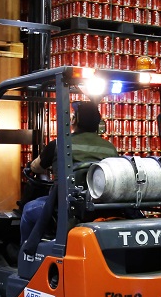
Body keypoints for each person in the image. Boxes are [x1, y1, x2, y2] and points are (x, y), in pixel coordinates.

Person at [19, 100, 117, 249]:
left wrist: (35, 167)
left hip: (67, 209)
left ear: (74, 119)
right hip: (101, 208)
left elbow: (36, 167)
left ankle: (24, 255)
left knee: (28, 210)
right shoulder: (110, 149)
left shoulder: (59, 144)